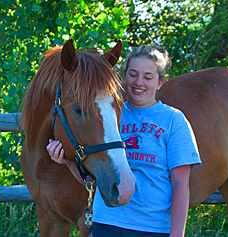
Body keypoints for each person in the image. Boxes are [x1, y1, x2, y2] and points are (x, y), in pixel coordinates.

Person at [47, 44, 201, 237]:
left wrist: (177, 234)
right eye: (133, 74)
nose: (139, 82)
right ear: (123, 76)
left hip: (151, 228)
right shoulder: (109, 115)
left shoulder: (173, 120)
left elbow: (180, 184)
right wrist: (68, 162)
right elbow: (95, 181)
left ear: (160, 82)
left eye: (148, 77)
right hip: (106, 223)